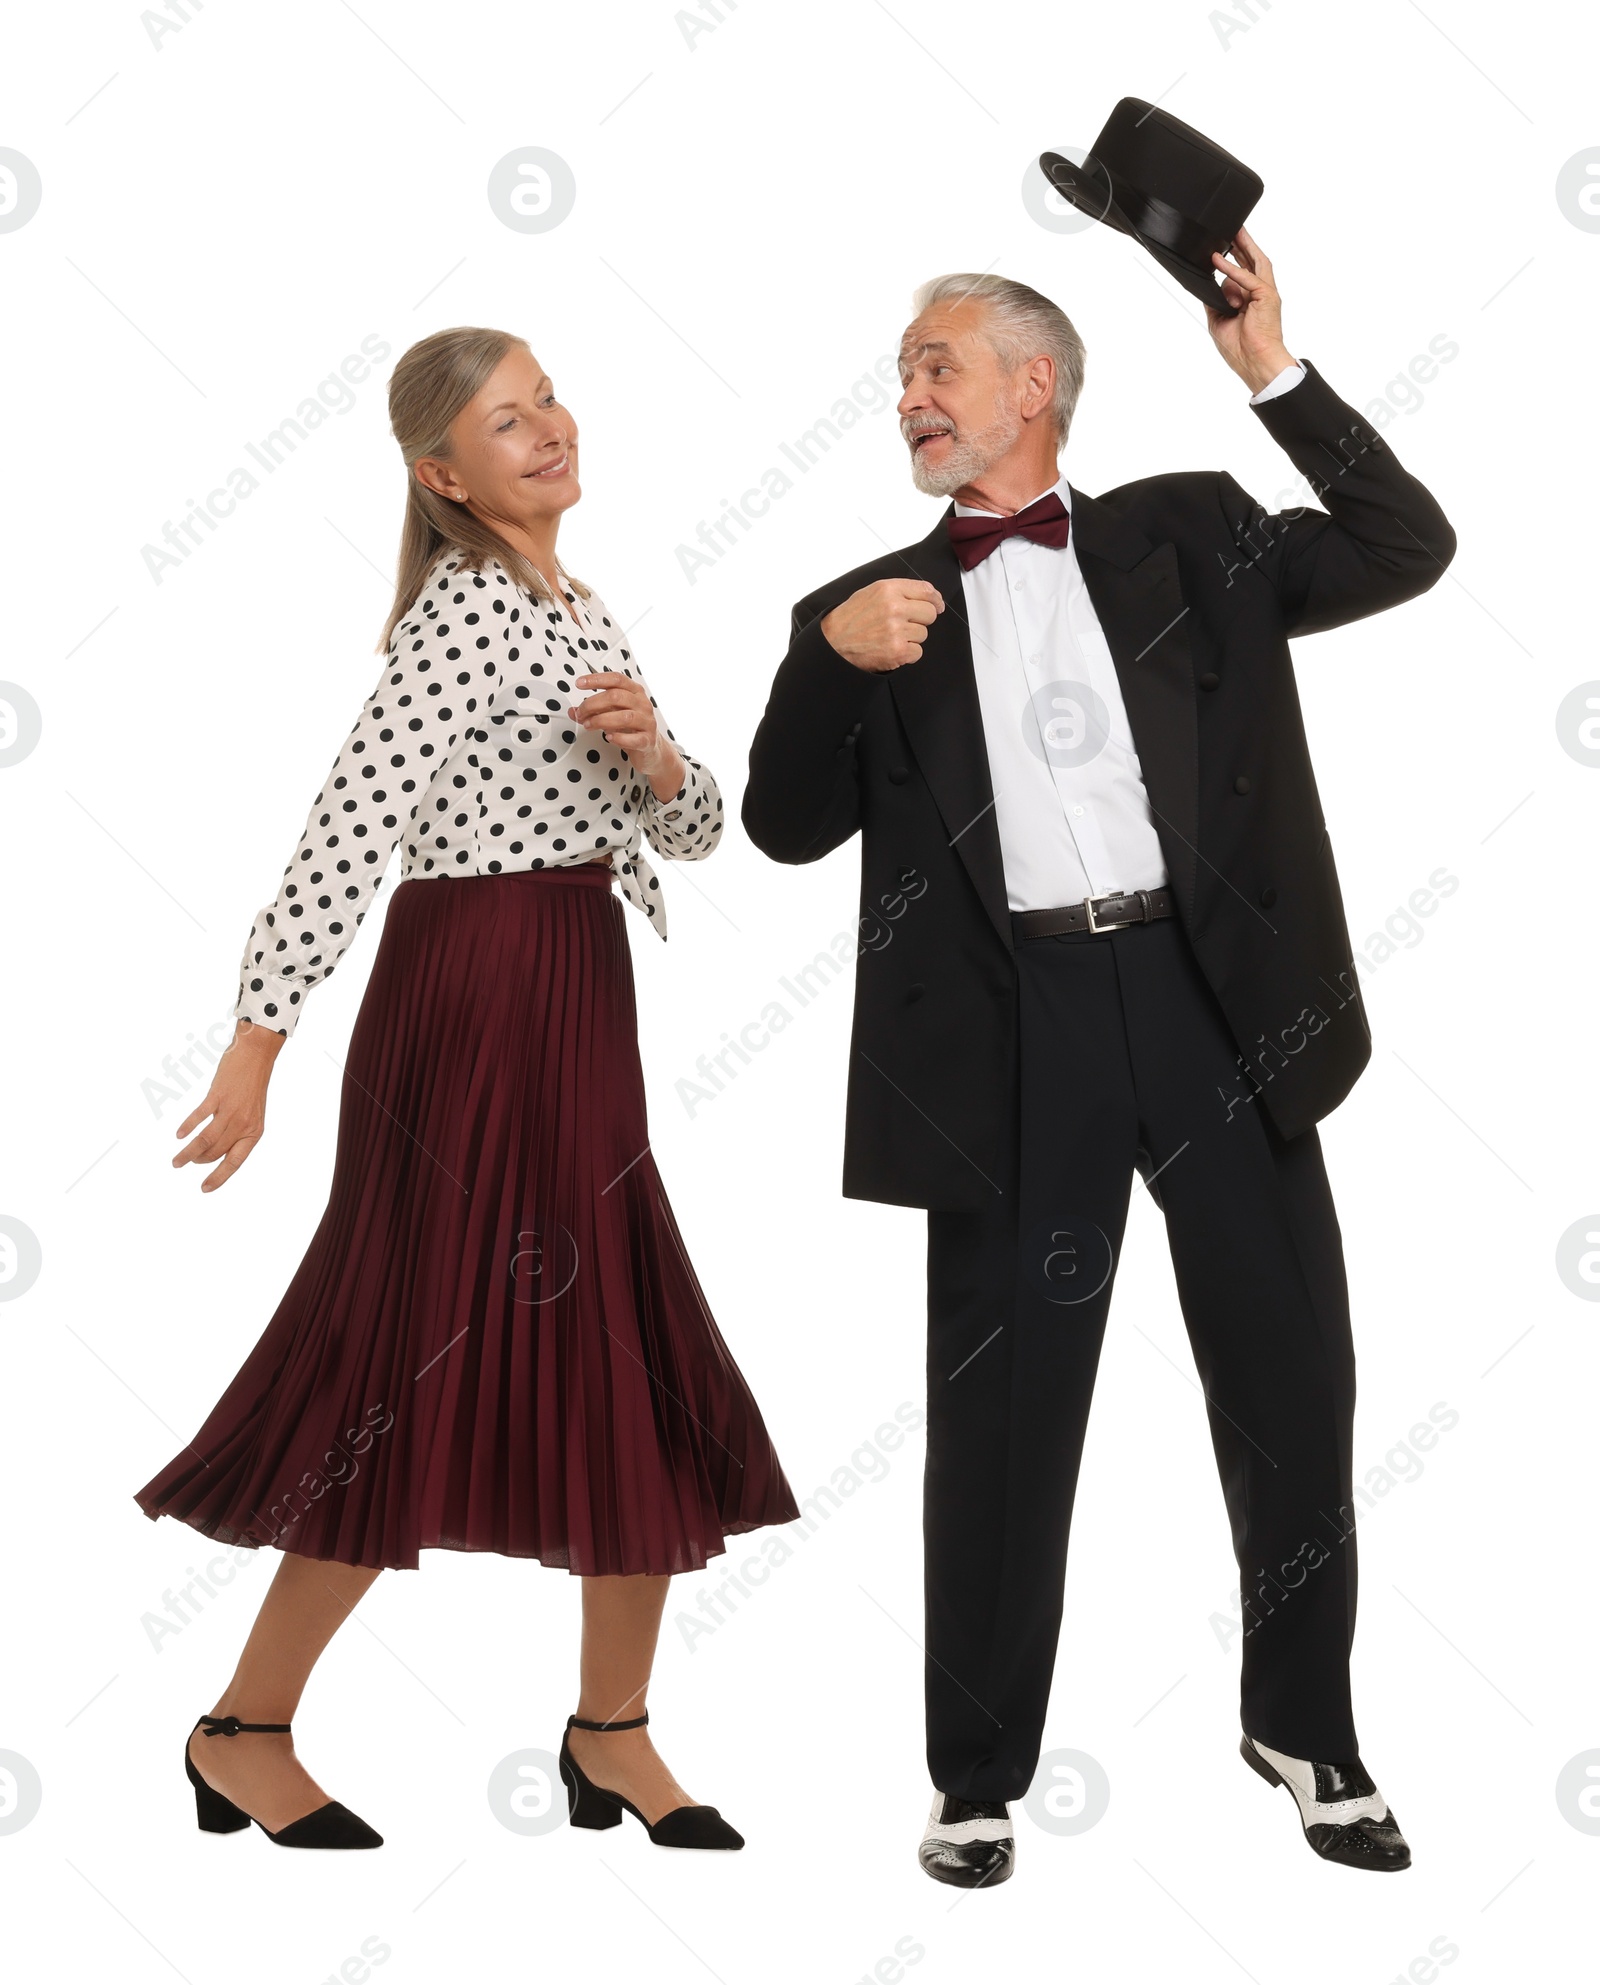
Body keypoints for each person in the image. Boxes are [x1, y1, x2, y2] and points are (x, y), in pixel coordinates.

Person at [742, 236, 1455, 1886]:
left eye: (938, 366)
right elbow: (782, 827)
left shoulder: (1192, 528)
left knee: (1290, 1377)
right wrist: (824, 659)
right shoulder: (865, 606)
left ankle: (1305, 1726)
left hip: (1213, 1000)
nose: (909, 396)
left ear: (1032, 383)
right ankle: (976, 1771)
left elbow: (1407, 544)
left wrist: (1271, 370)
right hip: (1011, 1036)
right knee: (1003, 1412)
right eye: (905, 375)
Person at [136, 325, 798, 1852]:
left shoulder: (586, 607)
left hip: (579, 988)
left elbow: (698, 834)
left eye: (550, 397)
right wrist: (256, 1045)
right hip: (471, 1003)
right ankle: (241, 1728)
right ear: (443, 473)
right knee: (405, 1366)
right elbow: (347, 825)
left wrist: (658, 757)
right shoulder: (461, 618)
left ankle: (612, 1732)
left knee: (621, 1337)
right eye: (509, 420)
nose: (551, 427)